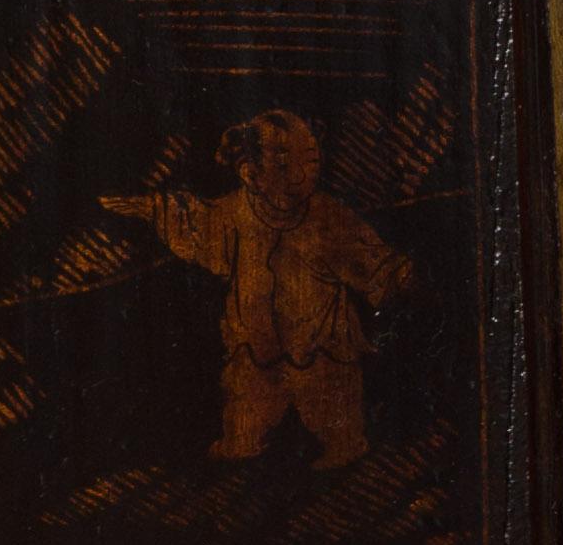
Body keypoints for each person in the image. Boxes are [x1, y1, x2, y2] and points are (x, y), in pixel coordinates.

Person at [106, 113, 408, 469]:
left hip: (320, 338)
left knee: (331, 398)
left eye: (310, 159)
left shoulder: (328, 217)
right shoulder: (233, 213)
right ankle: (241, 442)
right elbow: (197, 222)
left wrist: (397, 276)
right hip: (255, 337)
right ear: (249, 173)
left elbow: (366, 258)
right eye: (283, 161)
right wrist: (155, 209)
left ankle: (344, 446)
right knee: (247, 398)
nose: (303, 171)